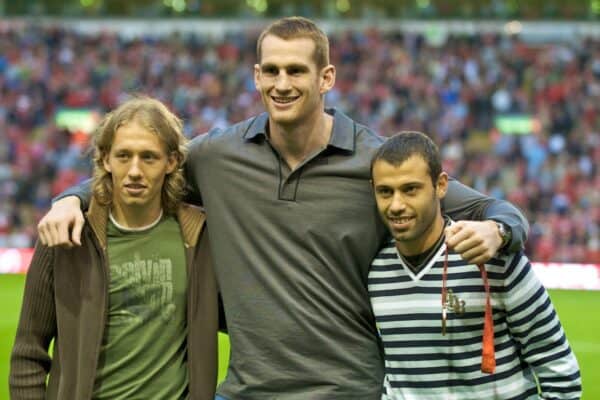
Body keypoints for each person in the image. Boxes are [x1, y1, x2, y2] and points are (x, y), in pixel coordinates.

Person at [37, 17, 529, 400]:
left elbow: (491, 206)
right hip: (246, 389)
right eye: (270, 70)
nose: (282, 82)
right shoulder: (219, 156)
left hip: (348, 391)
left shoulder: (374, 162)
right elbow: (140, 172)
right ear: (256, 76)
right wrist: (72, 198)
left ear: (326, 77)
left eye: (296, 70)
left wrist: (498, 233)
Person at [10, 97, 218, 400]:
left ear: (171, 162)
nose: (134, 170)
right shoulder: (65, 236)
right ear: (105, 159)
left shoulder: (200, 238)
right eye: (123, 156)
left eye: (148, 157)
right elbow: (29, 354)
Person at [369, 131, 581, 399]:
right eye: (385, 192)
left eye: (411, 189)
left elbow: (560, 372)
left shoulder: (493, 257)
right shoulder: (376, 272)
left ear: (441, 185)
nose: (396, 205)